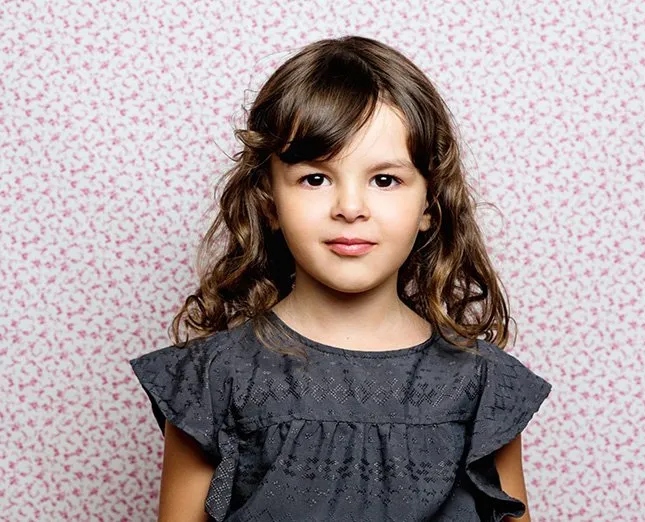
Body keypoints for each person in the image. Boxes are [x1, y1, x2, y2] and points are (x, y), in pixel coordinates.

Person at [129, 35, 552, 522]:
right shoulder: (211, 381)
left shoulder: (485, 387)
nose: (350, 208)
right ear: (269, 201)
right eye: (315, 179)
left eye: (385, 180)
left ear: (429, 205)